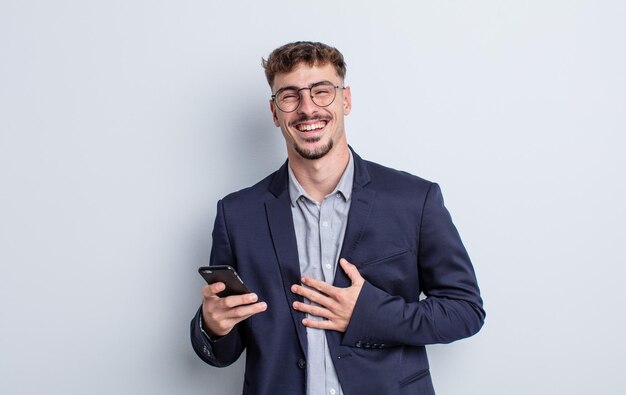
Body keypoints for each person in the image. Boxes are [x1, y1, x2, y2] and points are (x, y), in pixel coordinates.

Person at [190, 41, 485, 395]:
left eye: (322, 92)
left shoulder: (414, 200)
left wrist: (368, 314)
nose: (307, 108)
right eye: (290, 96)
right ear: (274, 112)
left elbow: (465, 311)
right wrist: (212, 326)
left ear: (345, 100)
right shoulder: (237, 214)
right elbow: (224, 348)